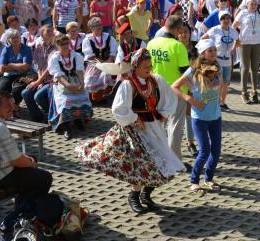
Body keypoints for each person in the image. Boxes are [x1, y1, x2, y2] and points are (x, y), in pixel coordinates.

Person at [76, 49, 184, 213]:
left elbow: (169, 98)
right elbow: (118, 109)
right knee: (142, 165)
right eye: (145, 66)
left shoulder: (156, 81)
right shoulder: (128, 84)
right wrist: (134, 118)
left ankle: (147, 194)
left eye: (150, 65)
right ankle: (134, 196)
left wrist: (163, 113)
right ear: (135, 67)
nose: (149, 69)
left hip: (154, 128)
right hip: (133, 131)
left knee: (162, 163)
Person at [0, 90, 53, 240]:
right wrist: (31, 164)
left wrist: (28, 160)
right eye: (8, 106)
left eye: (13, 104)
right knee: (44, 178)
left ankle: (23, 202)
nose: (13, 109)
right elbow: (17, 161)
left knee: (30, 163)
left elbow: (12, 156)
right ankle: (18, 216)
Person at [172, 39, 223, 194]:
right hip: (200, 118)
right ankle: (194, 181)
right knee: (204, 151)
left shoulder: (217, 67)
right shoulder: (193, 70)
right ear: (202, 53)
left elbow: (221, 85)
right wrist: (190, 99)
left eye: (214, 50)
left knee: (216, 151)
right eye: (210, 50)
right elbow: (174, 86)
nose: (214, 53)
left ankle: (208, 179)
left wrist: (221, 98)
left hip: (216, 116)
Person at [146, 15, 191, 160]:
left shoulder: (151, 43)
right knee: (175, 126)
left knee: (158, 125)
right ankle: (175, 160)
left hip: (156, 90)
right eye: (180, 30)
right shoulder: (178, 46)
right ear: (178, 29)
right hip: (176, 92)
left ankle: (157, 156)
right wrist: (193, 91)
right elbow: (185, 73)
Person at [48, 34, 93, 139]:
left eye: (66, 43)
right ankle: (67, 126)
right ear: (57, 45)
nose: (65, 46)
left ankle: (78, 120)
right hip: (62, 84)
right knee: (65, 102)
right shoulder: (55, 58)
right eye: (62, 44)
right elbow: (58, 76)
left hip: (75, 81)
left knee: (84, 97)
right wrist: (68, 86)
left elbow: (80, 71)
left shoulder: (76, 56)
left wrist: (82, 84)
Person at [232, 0, 260, 104]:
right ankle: (244, 92)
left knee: (255, 67)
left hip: (256, 43)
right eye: (251, 4)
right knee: (245, 67)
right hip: (244, 43)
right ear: (247, 4)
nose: (253, 6)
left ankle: (254, 91)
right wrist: (237, 38)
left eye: (255, 4)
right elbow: (233, 26)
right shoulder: (242, 13)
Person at [203, 10, 238, 111]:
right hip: (216, 61)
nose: (226, 20)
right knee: (216, 83)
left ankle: (222, 103)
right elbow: (203, 38)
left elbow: (238, 40)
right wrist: (208, 51)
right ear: (220, 20)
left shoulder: (233, 31)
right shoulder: (215, 29)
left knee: (226, 83)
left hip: (227, 61)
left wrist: (233, 48)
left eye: (228, 18)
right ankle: (214, 102)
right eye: (223, 18)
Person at [21, 25, 56, 123]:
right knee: (25, 93)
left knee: (38, 96)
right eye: (47, 31)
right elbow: (37, 65)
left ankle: (54, 116)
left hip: (53, 80)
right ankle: (37, 117)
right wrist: (39, 80)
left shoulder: (56, 46)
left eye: (51, 31)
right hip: (41, 78)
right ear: (42, 34)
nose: (50, 32)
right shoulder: (38, 45)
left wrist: (38, 81)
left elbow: (50, 68)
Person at [82, 16, 117, 102]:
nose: (99, 27)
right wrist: (102, 63)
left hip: (108, 63)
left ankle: (105, 95)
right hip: (94, 64)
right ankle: (94, 97)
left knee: (107, 74)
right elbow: (90, 56)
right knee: (90, 78)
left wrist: (107, 63)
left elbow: (113, 53)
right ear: (91, 28)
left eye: (100, 25)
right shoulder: (87, 39)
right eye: (96, 25)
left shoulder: (109, 37)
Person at [0, 29, 33, 108]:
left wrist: (10, 64)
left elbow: (26, 66)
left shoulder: (26, 49)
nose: (15, 39)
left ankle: (14, 108)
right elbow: (2, 67)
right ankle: (4, 109)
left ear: (20, 38)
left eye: (17, 37)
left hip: (23, 75)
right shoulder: (6, 49)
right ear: (9, 39)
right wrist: (19, 66)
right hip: (8, 75)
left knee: (16, 91)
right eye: (12, 38)